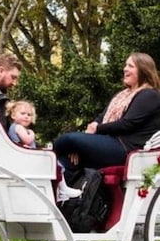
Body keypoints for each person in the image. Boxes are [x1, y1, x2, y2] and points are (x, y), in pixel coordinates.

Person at [53, 52, 160, 184]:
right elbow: (101, 117)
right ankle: (68, 198)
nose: (125, 69)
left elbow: (127, 124)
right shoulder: (122, 95)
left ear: (143, 70)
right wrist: (92, 128)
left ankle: (45, 154)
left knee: (68, 139)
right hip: (110, 141)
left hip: (125, 148)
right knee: (69, 158)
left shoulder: (149, 95)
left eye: (130, 66)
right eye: (125, 65)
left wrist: (97, 129)